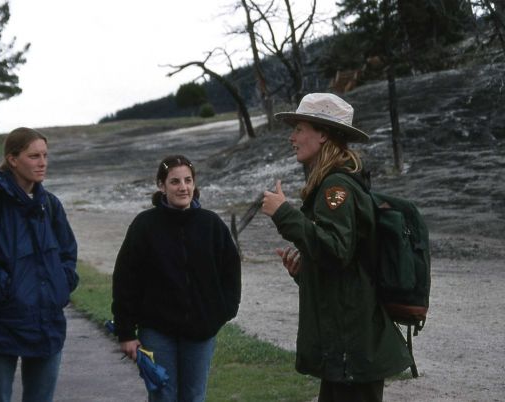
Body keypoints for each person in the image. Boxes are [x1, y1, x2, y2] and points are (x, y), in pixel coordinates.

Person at [261, 93, 413, 402]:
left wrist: (284, 213)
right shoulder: (335, 183)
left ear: (323, 134)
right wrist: (305, 272)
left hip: (351, 345)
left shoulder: (336, 187)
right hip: (349, 345)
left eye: (299, 128)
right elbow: (343, 265)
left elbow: (335, 251)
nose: (292, 137)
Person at [0, 127, 78, 402]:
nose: (42, 162)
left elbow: (68, 253)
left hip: (47, 324)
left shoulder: (50, 205)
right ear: (12, 159)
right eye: (34, 156)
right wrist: (8, 291)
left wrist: (61, 285)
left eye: (45, 155)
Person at [112, 155, 241, 402]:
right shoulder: (144, 226)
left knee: (194, 396)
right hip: (157, 331)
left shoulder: (211, 224)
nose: (183, 187)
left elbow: (231, 272)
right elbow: (125, 280)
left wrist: (222, 312)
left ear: (194, 184)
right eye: (175, 181)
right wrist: (126, 332)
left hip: (201, 331)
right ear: (162, 185)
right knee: (163, 394)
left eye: (188, 180)